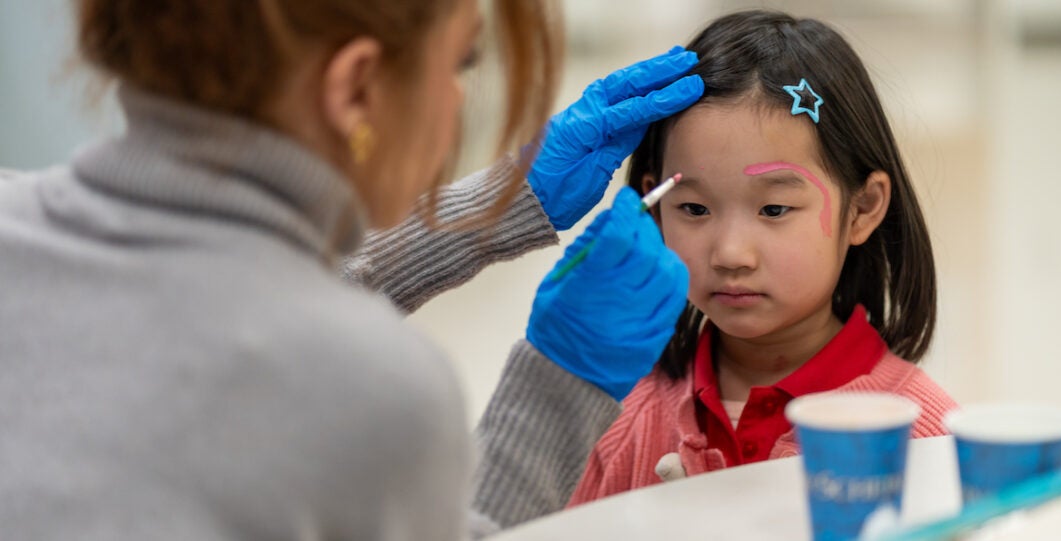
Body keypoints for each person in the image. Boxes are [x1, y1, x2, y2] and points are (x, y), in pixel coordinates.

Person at [0, 0, 700, 538]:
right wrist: (557, 389)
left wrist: (497, 205)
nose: (458, 103)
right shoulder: (374, 393)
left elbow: (215, 301)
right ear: (357, 87)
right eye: (460, 64)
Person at [566, 9, 959, 506]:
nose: (731, 253)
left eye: (774, 208)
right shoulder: (620, 423)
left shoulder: (926, 441)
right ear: (655, 206)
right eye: (694, 208)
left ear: (862, 208)